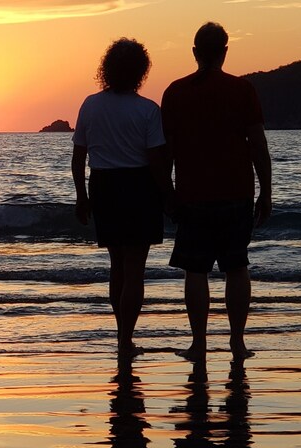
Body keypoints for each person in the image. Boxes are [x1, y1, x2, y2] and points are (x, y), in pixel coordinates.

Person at [161, 22, 273, 361]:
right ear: (225, 52)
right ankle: (237, 342)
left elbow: (166, 151)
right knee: (236, 267)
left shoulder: (176, 92)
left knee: (196, 271)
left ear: (195, 52)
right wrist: (266, 191)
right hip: (236, 192)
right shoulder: (242, 90)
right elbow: (258, 145)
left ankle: (199, 344)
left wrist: (167, 192)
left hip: (192, 194)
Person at [72, 38, 172, 359]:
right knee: (134, 269)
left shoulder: (90, 105)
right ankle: (126, 339)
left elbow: (78, 157)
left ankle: (122, 335)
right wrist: (169, 195)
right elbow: (156, 161)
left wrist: (82, 196)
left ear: (108, 68)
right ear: (141, 71)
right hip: (139, 186)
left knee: (117, 265)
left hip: (104, 185)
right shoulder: (148, 110)